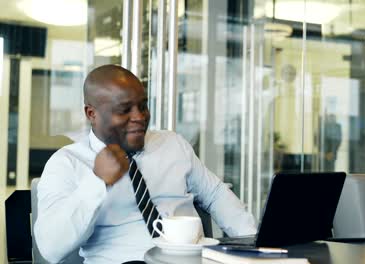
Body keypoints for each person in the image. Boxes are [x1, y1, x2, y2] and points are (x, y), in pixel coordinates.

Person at [34, 65, 256, 264]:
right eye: (124, 110)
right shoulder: (67, 163)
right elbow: (51, 249)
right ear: (91, 113)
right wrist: (96, 181)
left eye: (143, 106)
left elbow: (215, 194)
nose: (139, 117)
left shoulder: (172, 144)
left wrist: (255, 244)